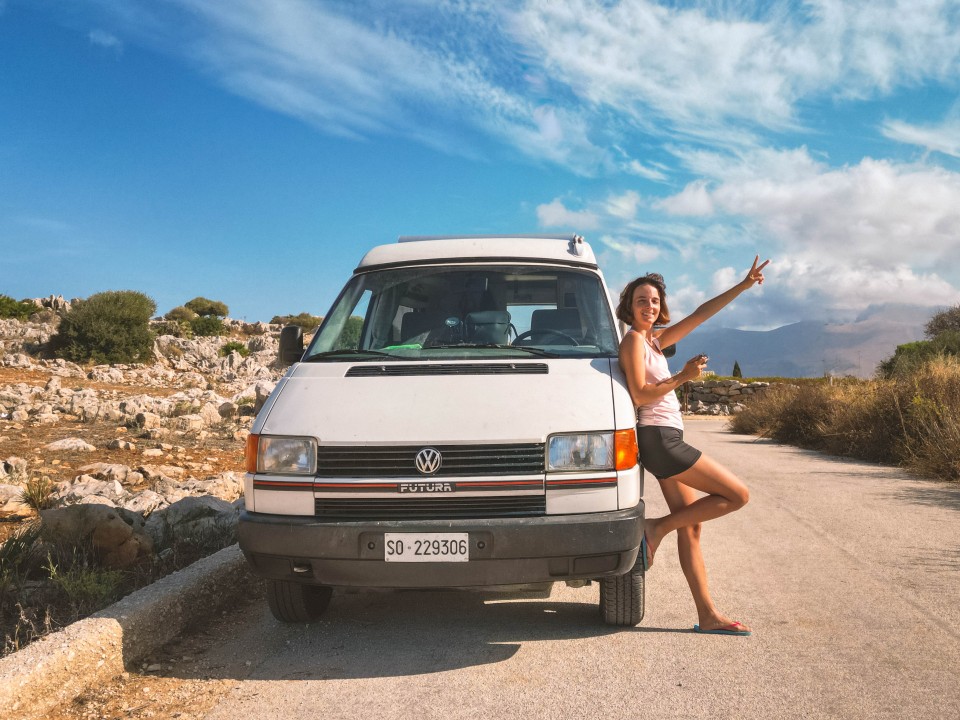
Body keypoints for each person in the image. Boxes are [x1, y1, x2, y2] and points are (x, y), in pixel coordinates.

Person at [617, 256, 770, 636]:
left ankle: (708, 614)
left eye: (654, 301)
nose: (649, 306)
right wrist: (683, 376)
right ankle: (655, 529)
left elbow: (702, 313)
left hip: (668, 438)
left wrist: (742, 285)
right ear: (629, 306)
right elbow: (639, 394)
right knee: (737, 494)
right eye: (641, 300)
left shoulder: (655, 341)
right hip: (660, 440)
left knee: (695, 526)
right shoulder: (634, 342)